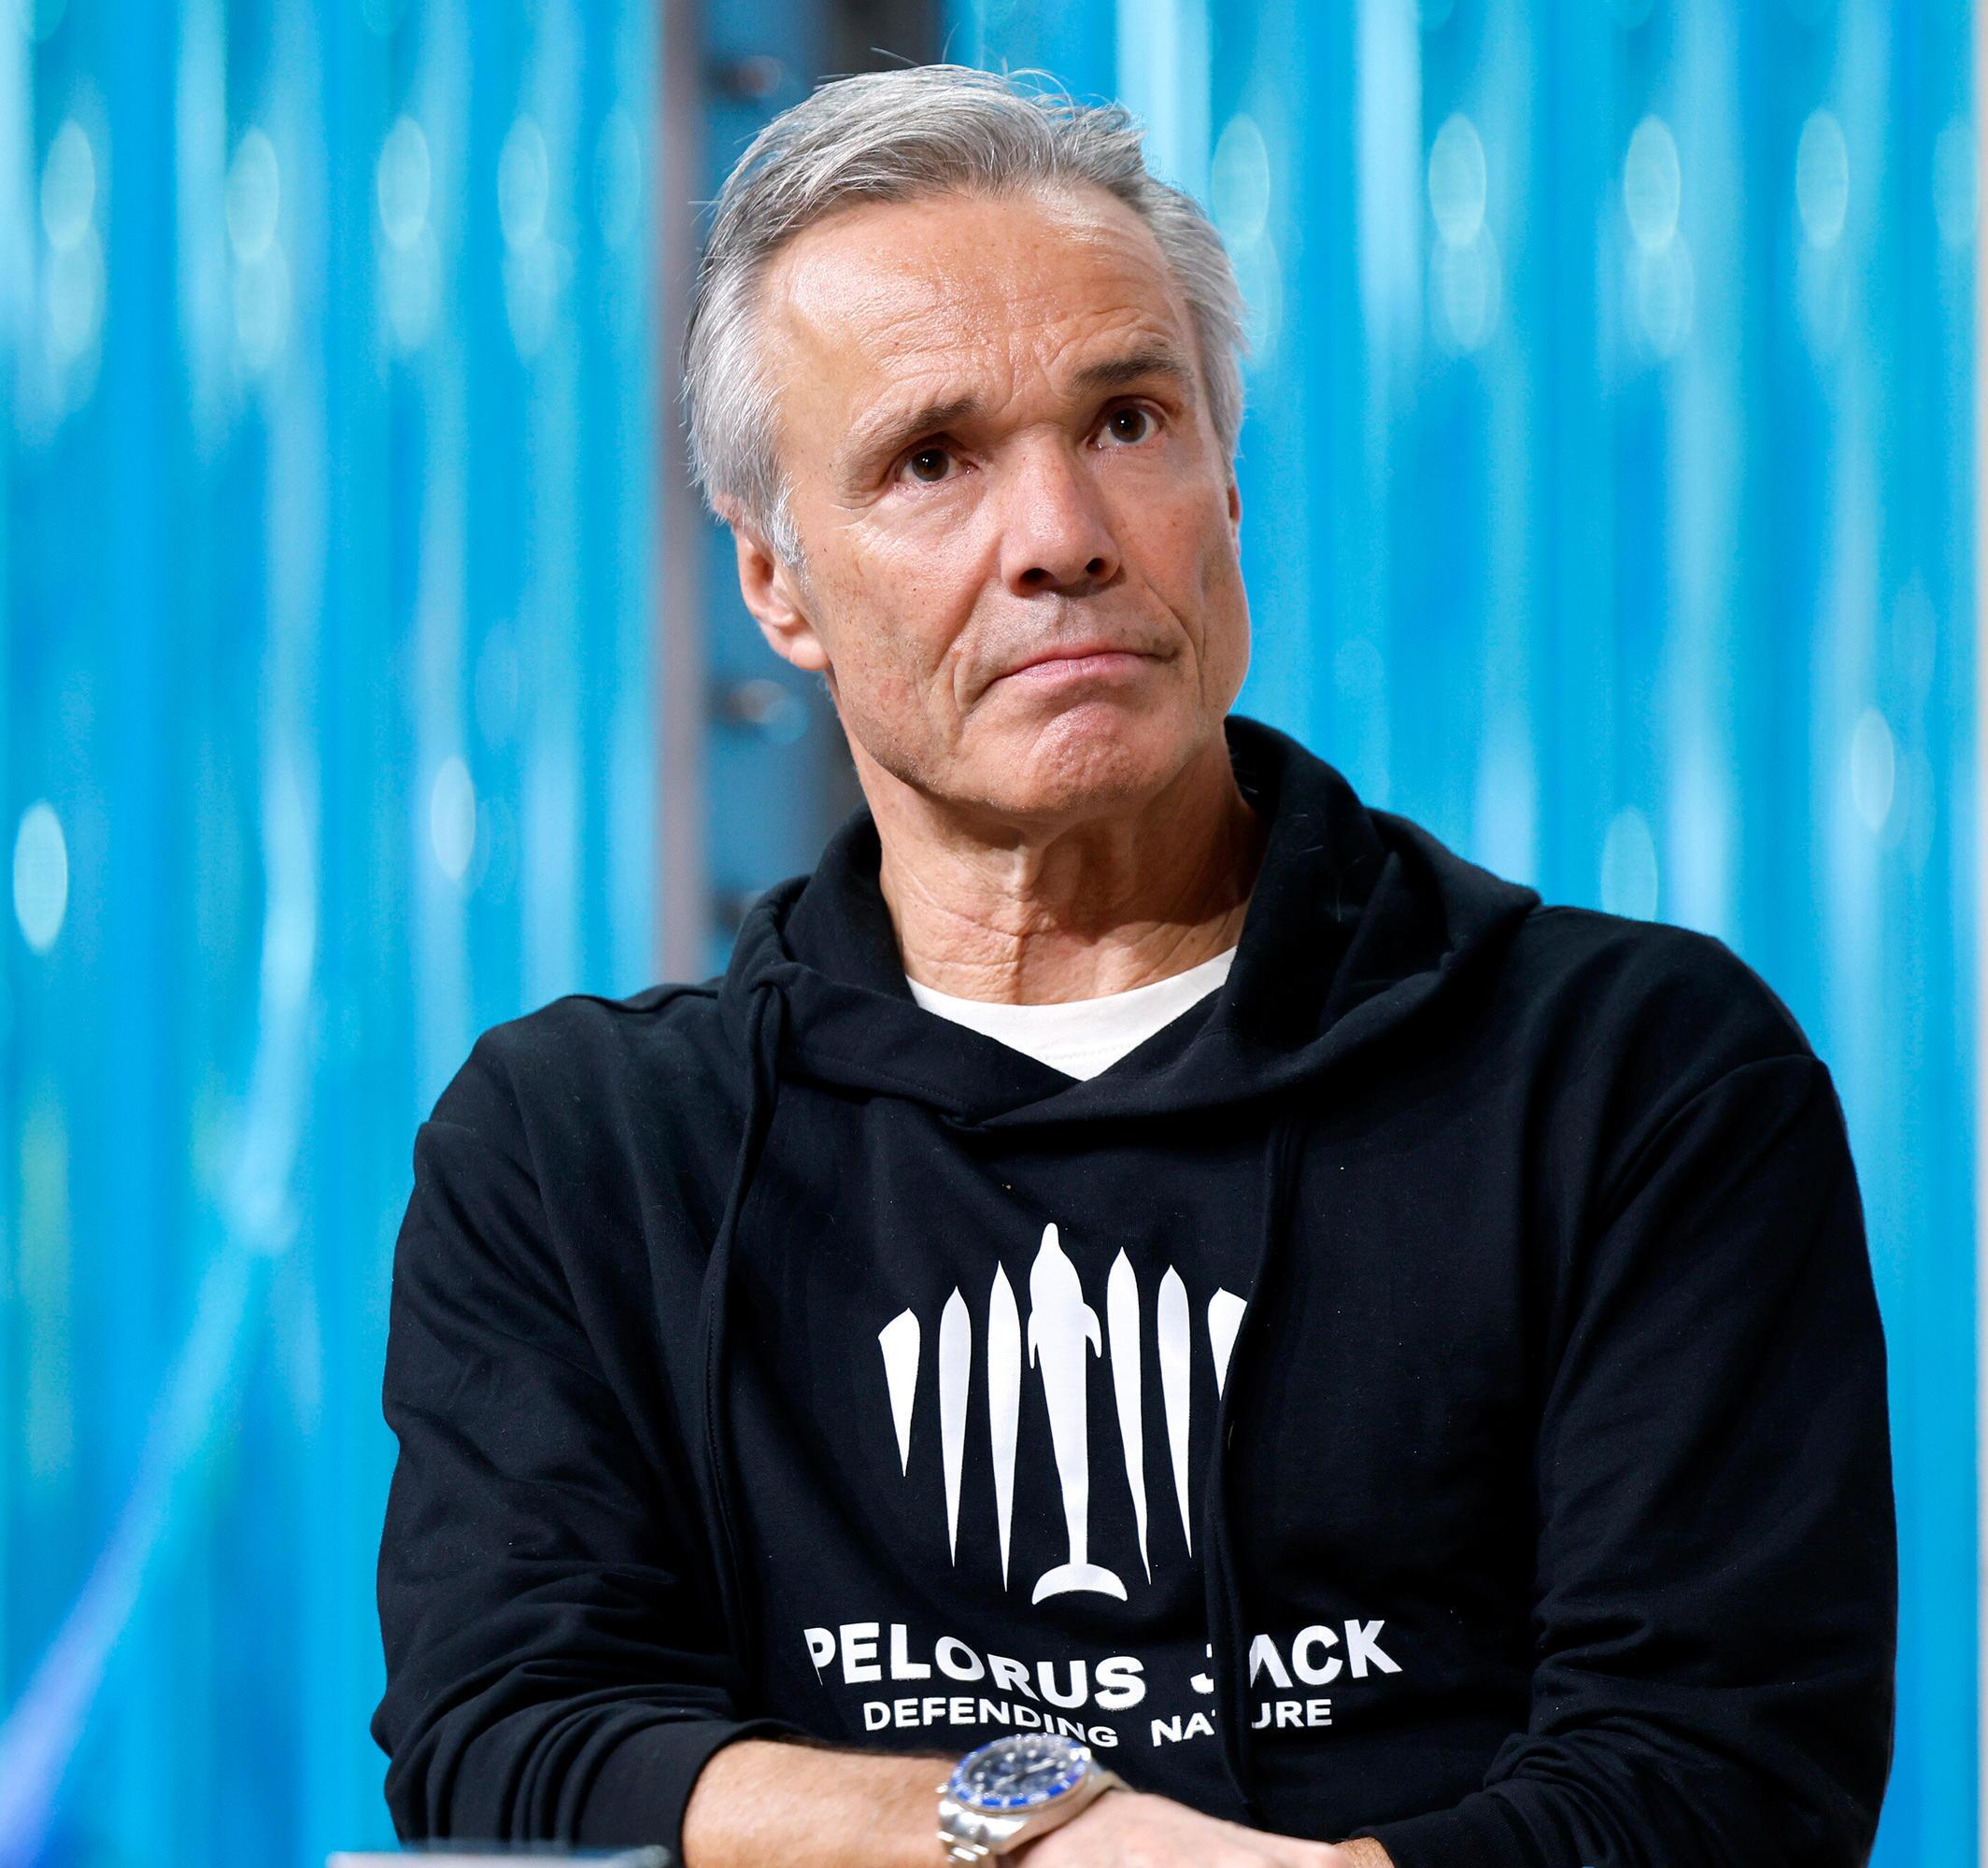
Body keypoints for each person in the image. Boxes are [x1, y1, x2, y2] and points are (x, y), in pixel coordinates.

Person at [371, 64, 1896, 1868]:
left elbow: (1722, 1781)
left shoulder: (1630, 1076)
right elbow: (511, 1743)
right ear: (777, 585)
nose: (1063, 537)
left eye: (1127, 420)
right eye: (932, 461)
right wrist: (1037, 1832)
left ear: (1227, 489)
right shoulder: (582, 1153)